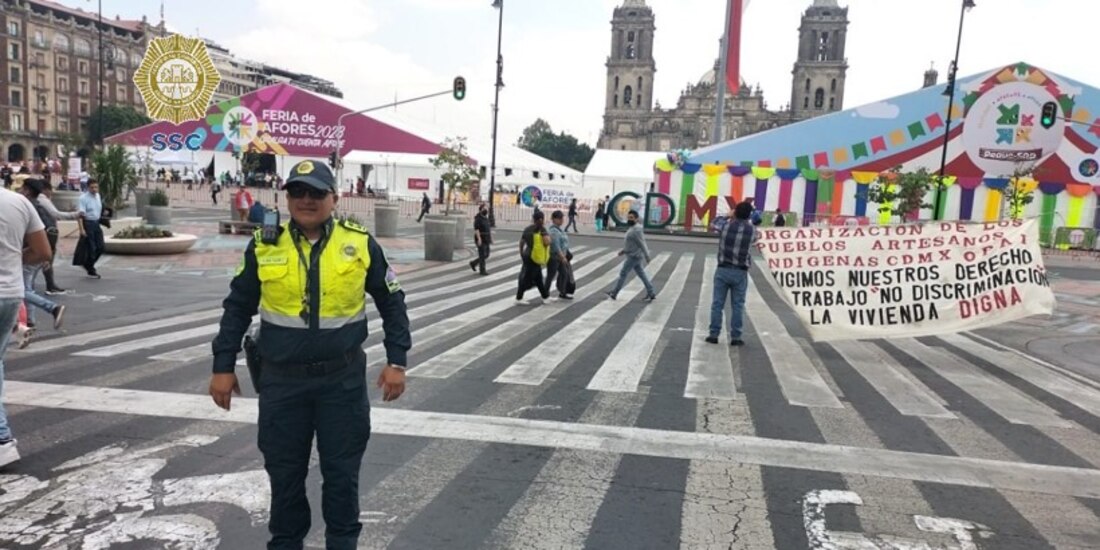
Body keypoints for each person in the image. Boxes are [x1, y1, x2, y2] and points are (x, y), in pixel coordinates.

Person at [208, 159, 411, 549]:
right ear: (287, 198)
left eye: (316, 192)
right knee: (284, 479)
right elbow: (237, 306)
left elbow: (392, 301)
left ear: (334, 198)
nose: (306, 200)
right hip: (282, 383)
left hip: (342, 383)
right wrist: (223, 365)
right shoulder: (265, 244)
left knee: (341, 477)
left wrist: (396, 361)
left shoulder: (359, 243)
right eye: (298, 192)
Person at [0, 186, 52, 467]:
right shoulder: (19, 202)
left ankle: (2, 438)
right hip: (10, 293)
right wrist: (13, 258)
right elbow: (43, 251)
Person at [18, 180, 66, 330]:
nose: (19, 191)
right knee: (27, 286)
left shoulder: (27, 207)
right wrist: (47, 254)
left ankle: (52, 307)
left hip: (30, 253)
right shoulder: (37, 206)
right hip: (39, 252)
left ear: (26, 191)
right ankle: (30, 321)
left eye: (21, 188)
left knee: (20, 290)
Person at [707, 202, 755, 346]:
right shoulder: (752, 230)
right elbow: (757, 239)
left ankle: (714, 334)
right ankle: (736, 337)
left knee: (717, 304)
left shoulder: (726, 226)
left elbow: (712, 224)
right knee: (738, 305)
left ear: (735, 212)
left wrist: (727, 215)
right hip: (740, 272)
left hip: (723, 269)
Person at [33, 181, 81, 294]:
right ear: (46, 189)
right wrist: (75, 215)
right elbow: (56, 214)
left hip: (42, 232)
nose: (51, 194)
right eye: (50, 191)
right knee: (45, 260)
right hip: (48, 233)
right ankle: (49, 286)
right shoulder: (42, 199)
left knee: (43, 260)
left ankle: (49, 284)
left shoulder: (33, 200)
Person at [606, 210, 657, 302]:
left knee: (623, 273)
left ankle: (614, 293)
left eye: (632, 218)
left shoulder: (636, 230)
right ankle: (651, 292)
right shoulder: (633, 228)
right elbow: (631, 243)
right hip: (634, 255)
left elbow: (642, 243)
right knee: (641, 274)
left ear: (636, 219)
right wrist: (624, 250)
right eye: (628, 217)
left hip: (633, 256)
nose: (629, 219)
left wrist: (647, 256)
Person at [516, 211, 551, 305]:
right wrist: (549, 239)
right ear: (540, 219)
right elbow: (547, 242)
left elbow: (522, 242)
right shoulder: (541, 229)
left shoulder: (527, 229)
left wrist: (521, 252)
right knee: (527, 278)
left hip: (527, 254)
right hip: (535, 256)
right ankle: (518, 298)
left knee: (538, 278)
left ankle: (545, 297)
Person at [77, 180, 104, 279]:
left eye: (96, 187)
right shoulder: (83, 198)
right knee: (92, 248)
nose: (94, 189)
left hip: (96, 223)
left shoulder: (98, 196)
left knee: (100, 247)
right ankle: (90, 268)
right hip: (88, 223)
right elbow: (80, 215)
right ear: (88, 187)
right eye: (92, 187)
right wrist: (81, 229)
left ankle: (88, 264)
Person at [546, 210, 574, 299]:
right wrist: (562, 256)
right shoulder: (553, 231)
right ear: (554, 219)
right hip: (554, 257)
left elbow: (563, 244)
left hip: (562, 257)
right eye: (560, 218)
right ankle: (545, 294)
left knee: (564, 273)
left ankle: (563, 292)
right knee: (550, 276)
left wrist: (567, 253)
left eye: (562, 218)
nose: (562, 220)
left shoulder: (560, 230)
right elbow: (555, 245)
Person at [469, 203, 492, 276]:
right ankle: (482, 270)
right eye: (485, 208)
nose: (486, 210)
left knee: (487, 254)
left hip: (486, 238)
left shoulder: (486, 218)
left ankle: (473, 263)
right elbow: (476, 230)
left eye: (487, 208)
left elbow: (489, 228)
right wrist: (479, 239)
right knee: (482, 255)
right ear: (481, 209)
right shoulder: (478, 219)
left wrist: (491, 238)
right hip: (481, 237)